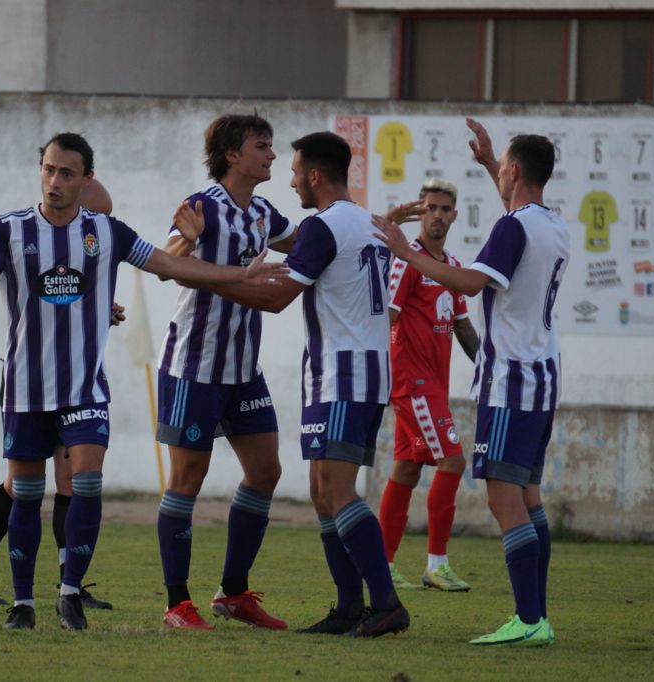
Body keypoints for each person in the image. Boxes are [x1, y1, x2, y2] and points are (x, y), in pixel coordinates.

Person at [0, 132, 286, 632]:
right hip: (27, 387)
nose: (54, 181)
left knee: (84, 481)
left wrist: (240, 277)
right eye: (48, 170)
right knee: (27, 491)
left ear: (85, 180)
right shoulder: (10, 230)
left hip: (85, 389)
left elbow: (168, 264)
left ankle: (71, 593)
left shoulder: (107, 232)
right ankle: (21, 602)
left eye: (66, 173)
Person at [189, 131, 410, 638]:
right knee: (321, 492)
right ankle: (349, 607)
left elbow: (277, 299)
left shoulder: (323, 226)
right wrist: (255, 273)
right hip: (357, 370)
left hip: (343, 372)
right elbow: (309, 277)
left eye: (293, 172)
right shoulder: (367, 224)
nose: (289, 181)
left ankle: (386, 603)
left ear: (314, 175)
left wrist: (204, 276)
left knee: (336, 490)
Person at [373, 118, 568, 647]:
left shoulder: (512, 228)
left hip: (510, 381)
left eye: (501, 165)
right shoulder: (551, 224)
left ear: (514, 171)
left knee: (504, 499)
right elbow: (515, 219)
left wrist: (407, 251)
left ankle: (529, 619)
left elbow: (474, 280)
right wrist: (488, 163)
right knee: (528, 497)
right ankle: (538, 616)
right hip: (544, 375)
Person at [153, 113, 297, 631]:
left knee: (266, 472)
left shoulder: (261, 211)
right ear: (233, 155)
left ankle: (233, 593)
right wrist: (186, 240)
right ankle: (177, 604)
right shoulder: (203, 207)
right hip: (194, 365)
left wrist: (357, 226)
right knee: (187, 479)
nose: (273, 156)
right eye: (263, 146)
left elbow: (306, 242)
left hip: (242, 369)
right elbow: (166, 261)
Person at [0, 181, 118, 612]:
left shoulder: (95, 213)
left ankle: (70, 583)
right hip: (30, 376)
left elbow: (80, 274)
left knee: (70, 479)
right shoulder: (37, 220)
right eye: (51, 171)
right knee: (21, 486)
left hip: (74, 379)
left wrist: (103, 306)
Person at [379, 179, 479, 592]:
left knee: (405, 468)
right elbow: (385, 318)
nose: (437, 215)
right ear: (421, 213)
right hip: (412, 383)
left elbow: (462, 326)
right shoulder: (408, 261)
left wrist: (493, 367)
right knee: (453, 461)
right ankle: (436, 564)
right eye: (430, 208)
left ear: (455, 215)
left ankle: (381, 564)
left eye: (444, 209)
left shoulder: (449, 265)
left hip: (432, 383)